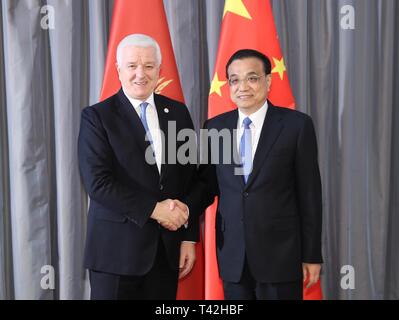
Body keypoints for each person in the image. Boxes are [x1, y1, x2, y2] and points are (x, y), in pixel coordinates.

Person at [184, 49, 323, 300]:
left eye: (252, 78)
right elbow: (205, 186)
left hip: (281, 256)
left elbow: (310, 195)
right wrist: (180, 210)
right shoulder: (214, 127)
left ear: (268, 81)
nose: (242, 87)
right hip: (233, 256)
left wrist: (311, 254)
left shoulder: (296, 126)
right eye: (234, 80)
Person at [78, 34, 198, 299]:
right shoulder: (97, 117)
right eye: (132, 66)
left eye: (148, 66)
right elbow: (98, 183)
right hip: (115, 256)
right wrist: (155, 210)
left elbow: (190, 179)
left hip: (165, 254)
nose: (140, 74)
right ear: (119, 70)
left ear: (159, 70)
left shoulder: (178, 113)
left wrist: (188, 237)